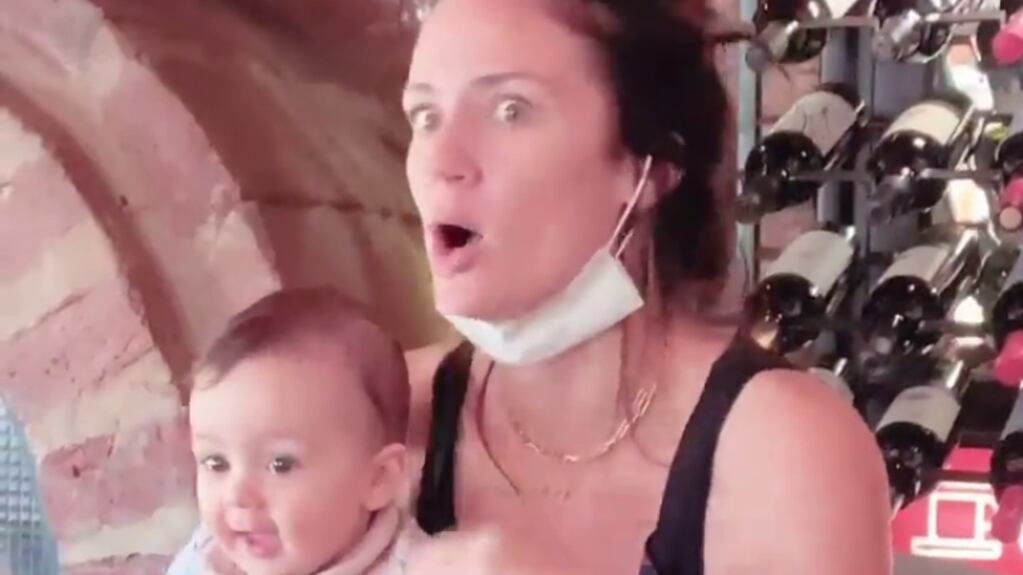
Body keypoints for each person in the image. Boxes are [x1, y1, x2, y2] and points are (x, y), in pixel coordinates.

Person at [170, 0, 892, 573]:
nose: (441, 161)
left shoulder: (784, 450)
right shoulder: (375, 419)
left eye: (509, 109)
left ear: (647, 166)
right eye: (425, 115)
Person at [185, 288, 410, 575]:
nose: (237, 494)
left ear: (378, 479)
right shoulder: (206, 556)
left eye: (281, 465)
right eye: (216, 463)